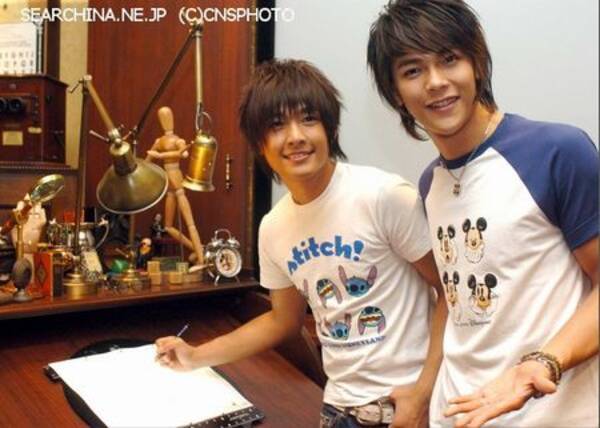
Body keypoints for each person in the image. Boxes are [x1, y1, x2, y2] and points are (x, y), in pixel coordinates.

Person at [155, 59, 447, 428]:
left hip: (404, 407)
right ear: (259, 143)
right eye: (277, 125)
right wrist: (195, 356)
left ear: (331, 128)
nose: (295, 136)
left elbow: (449, 292)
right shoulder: (273, 226)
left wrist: (422, 394)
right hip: (337, 410)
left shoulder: (382, 195)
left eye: (309, 119)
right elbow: (282, 321)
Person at [367, 1, 599, 427]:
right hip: (456, 414)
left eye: (449, 59)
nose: (436, 82)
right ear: (395, 92)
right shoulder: (430, 183)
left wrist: (544, 362)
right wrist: (424, 392)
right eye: (413, 70)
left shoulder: (557, 152)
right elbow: (454, 300)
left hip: (550, 413)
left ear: (476, 63)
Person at [146, 106, 204, 269]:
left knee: (190, 222)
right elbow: (148, 161)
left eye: (167, 117)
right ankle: (198, 249)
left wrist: (161, 155)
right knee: (168, 226)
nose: (166, 121)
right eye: (163, 118)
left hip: (176, 178)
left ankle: (201, 259)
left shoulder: (178, 140)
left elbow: (184, 154)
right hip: (167, 182)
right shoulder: (159, 141)